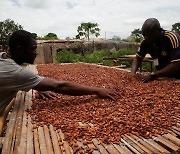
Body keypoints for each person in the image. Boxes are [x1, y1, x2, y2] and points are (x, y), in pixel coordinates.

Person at [0, 30, 116, 115]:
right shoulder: (14, 72)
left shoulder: (3, 58)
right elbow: (59, 86)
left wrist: (37, 86)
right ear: (19, 49)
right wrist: (97, 90)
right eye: (33, 49)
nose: (36, 53)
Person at [131, 18, 180, 82]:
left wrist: (153, 75)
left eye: (149, 35)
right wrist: (132, 73)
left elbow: (177, 64)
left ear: (158, 31)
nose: (146, 38)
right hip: (162, 77)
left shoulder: (172, 38)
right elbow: (137, 59)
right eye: (144, 35)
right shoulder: (145, 42)